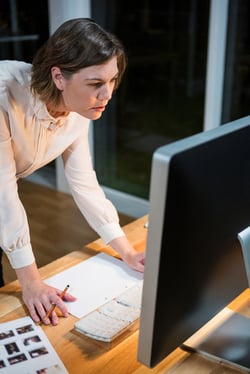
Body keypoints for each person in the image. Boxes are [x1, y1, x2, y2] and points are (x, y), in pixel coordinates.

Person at [0, 18, 145, 325]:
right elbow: (3, 194)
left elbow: (84, 183)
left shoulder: (78, 109)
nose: (107, 95)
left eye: (112, 81)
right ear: (59, 77)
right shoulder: (3, 95)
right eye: (95, 84)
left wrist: (127, 251)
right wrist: (31, 283)